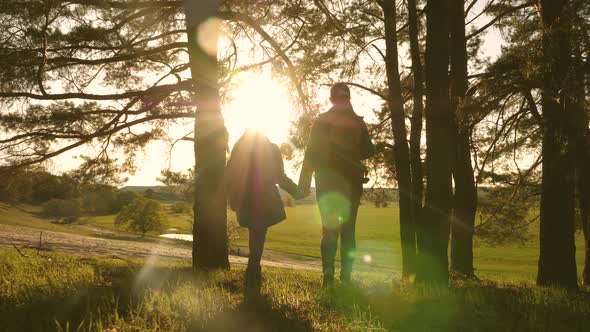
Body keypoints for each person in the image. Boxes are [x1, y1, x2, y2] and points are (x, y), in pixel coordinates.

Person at [298, 83, 375, 286]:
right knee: (349, 231)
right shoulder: (358, 123)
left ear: (332, 99)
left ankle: (328, 274)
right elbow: (369, 151)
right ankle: (347, 277)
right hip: (351, 182)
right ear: (348, 98)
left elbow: (310, 152)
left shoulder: (322, 120)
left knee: (329, 229)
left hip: (326, 180)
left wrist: (303, 184)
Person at [225, 129, 304, 298]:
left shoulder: (239, 149)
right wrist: (296, 191)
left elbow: (229, 176)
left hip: (245, 198)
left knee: (256, 231)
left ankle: (253, 268)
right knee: (258, 231)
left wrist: (232, 198)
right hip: (264, 199)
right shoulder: (271, 149)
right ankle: (254, 267)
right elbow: (279, 177)